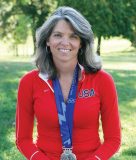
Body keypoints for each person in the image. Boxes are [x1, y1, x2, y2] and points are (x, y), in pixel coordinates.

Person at [16, 6, 121, 160]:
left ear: (81, 43)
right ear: (47, 40)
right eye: (58, 35)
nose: (65, 42)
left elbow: (113, 139)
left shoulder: (102, 80)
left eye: (73, 36)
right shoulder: (29, 82)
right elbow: (22, 140)